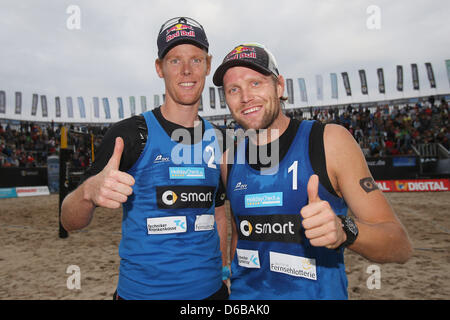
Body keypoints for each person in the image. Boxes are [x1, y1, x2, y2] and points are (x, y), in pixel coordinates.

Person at [212, 43, 413, 299]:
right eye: (233, 89)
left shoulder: (329, 141)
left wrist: (345, 230)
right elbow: (241, 234)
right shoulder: (229, 160)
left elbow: (399, 245)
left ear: (280, 86)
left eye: (256, 83)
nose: (245, 97)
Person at [61, 17, 229, 300]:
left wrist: (223, 270)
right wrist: (88, 193)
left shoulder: (220, 139)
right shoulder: (128, 135)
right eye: (175, 60)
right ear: (159, 68)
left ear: (208, 65)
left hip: (212, 294)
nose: (186, 70)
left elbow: (219, 211)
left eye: (196, 60)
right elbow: (68, 220)